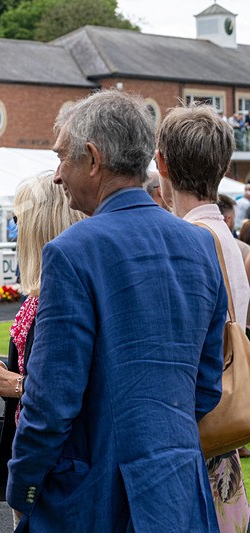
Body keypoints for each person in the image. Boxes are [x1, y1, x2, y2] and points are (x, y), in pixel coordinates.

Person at [6, 90, 226, 531]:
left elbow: (51, 402)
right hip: (179, 493)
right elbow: (205, 387)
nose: (56, 175)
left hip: (93, 502)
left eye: (61, 157)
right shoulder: (200, 245)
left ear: (92, 158)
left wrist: (22, 486)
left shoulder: (71, 252)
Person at [156, 103, 250, 531]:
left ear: (163, 164)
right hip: (221, 434)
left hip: (197, 430)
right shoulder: (224, 235)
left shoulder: (190, 238)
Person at [0, 173, 85, 516]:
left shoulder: (65, 292)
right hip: (35, 453)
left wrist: (16, 384)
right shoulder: (42, 291)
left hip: (56, 467)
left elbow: (72, 388)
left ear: (41, 223)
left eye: (18, 220)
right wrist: (2, 375)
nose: (14, 232)